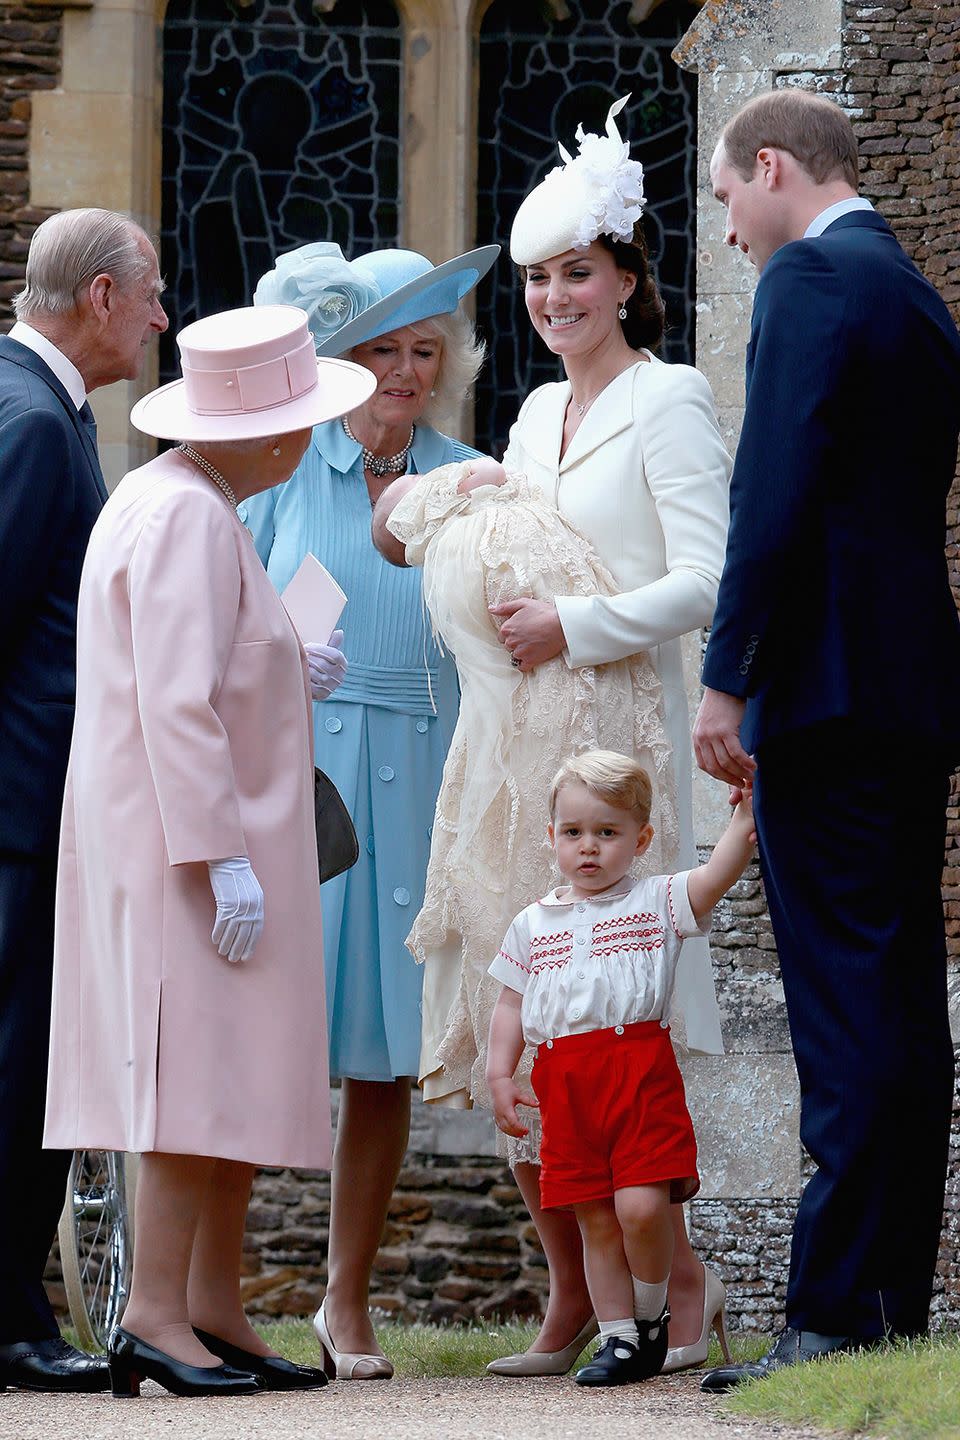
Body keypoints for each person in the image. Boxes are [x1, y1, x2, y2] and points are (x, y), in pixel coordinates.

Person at [380, 97, 732, 1375]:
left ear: (628, 277)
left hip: (609, 741)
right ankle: (568, 1301)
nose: (552, 297)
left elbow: (708, 577)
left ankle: (677, 1291)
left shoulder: (672, 399)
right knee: (515, 1016)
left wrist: (574, 625)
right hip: (507, 741)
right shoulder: (530, 419)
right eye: (534, 278)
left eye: (576, 272)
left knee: (605, 1027)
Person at [43, 304, 375, 1397]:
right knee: (190, 1074)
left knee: (227, 1073)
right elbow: (175, 703)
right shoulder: (186, 514)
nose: (306, 441)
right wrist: (217, 854)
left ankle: (212, 1303)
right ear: (262, 432)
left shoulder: (183, 500)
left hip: (203, 834)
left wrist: (287, 661)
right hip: (189, 844)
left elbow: (210, 661)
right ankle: (152, 1315)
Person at [694, 90, 960, 1390]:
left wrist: (727, 676)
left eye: (727, 192)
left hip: (827, 689)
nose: (728, 222)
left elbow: (773, 485)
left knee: (847, 1006)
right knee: (903, 998)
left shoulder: (808, 278)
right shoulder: (911, 293)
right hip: (912, 690)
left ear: (775, 168)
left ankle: (837, 1315)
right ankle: (893, 1297)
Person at [242, 240, 498, 1379]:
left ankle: (344, 1306)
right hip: (305, 786)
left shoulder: (473, 477)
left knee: (387, 1061)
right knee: (258, 1040)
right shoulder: (282, 473)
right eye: (383, 348)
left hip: (435, 782)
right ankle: (210, 1289)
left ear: (449, 362)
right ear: (342, 358)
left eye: (424, 350)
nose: (404, 370)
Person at [0, 208, 167, 1394]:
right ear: (101, 297)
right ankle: (9, 1318)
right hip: (16, 814)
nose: (164, 319)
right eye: (151, 295)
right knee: (17, 1069)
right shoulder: (29, 424)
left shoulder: (37, 405)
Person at [486, 751, 752, 1386]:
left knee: (639, 1206)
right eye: (574, 833)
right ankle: (617, 1340)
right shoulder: (533, 923)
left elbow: (716, 875)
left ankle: (652, 1315)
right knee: (594, 1219)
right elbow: (510, 1003)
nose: (589, 848)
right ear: (551, 837)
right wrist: (501, 1074)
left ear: (640, 839)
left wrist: (744, 819)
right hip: (564, 1083)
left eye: (608, 833)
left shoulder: (657, 901)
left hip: (637, 1074)